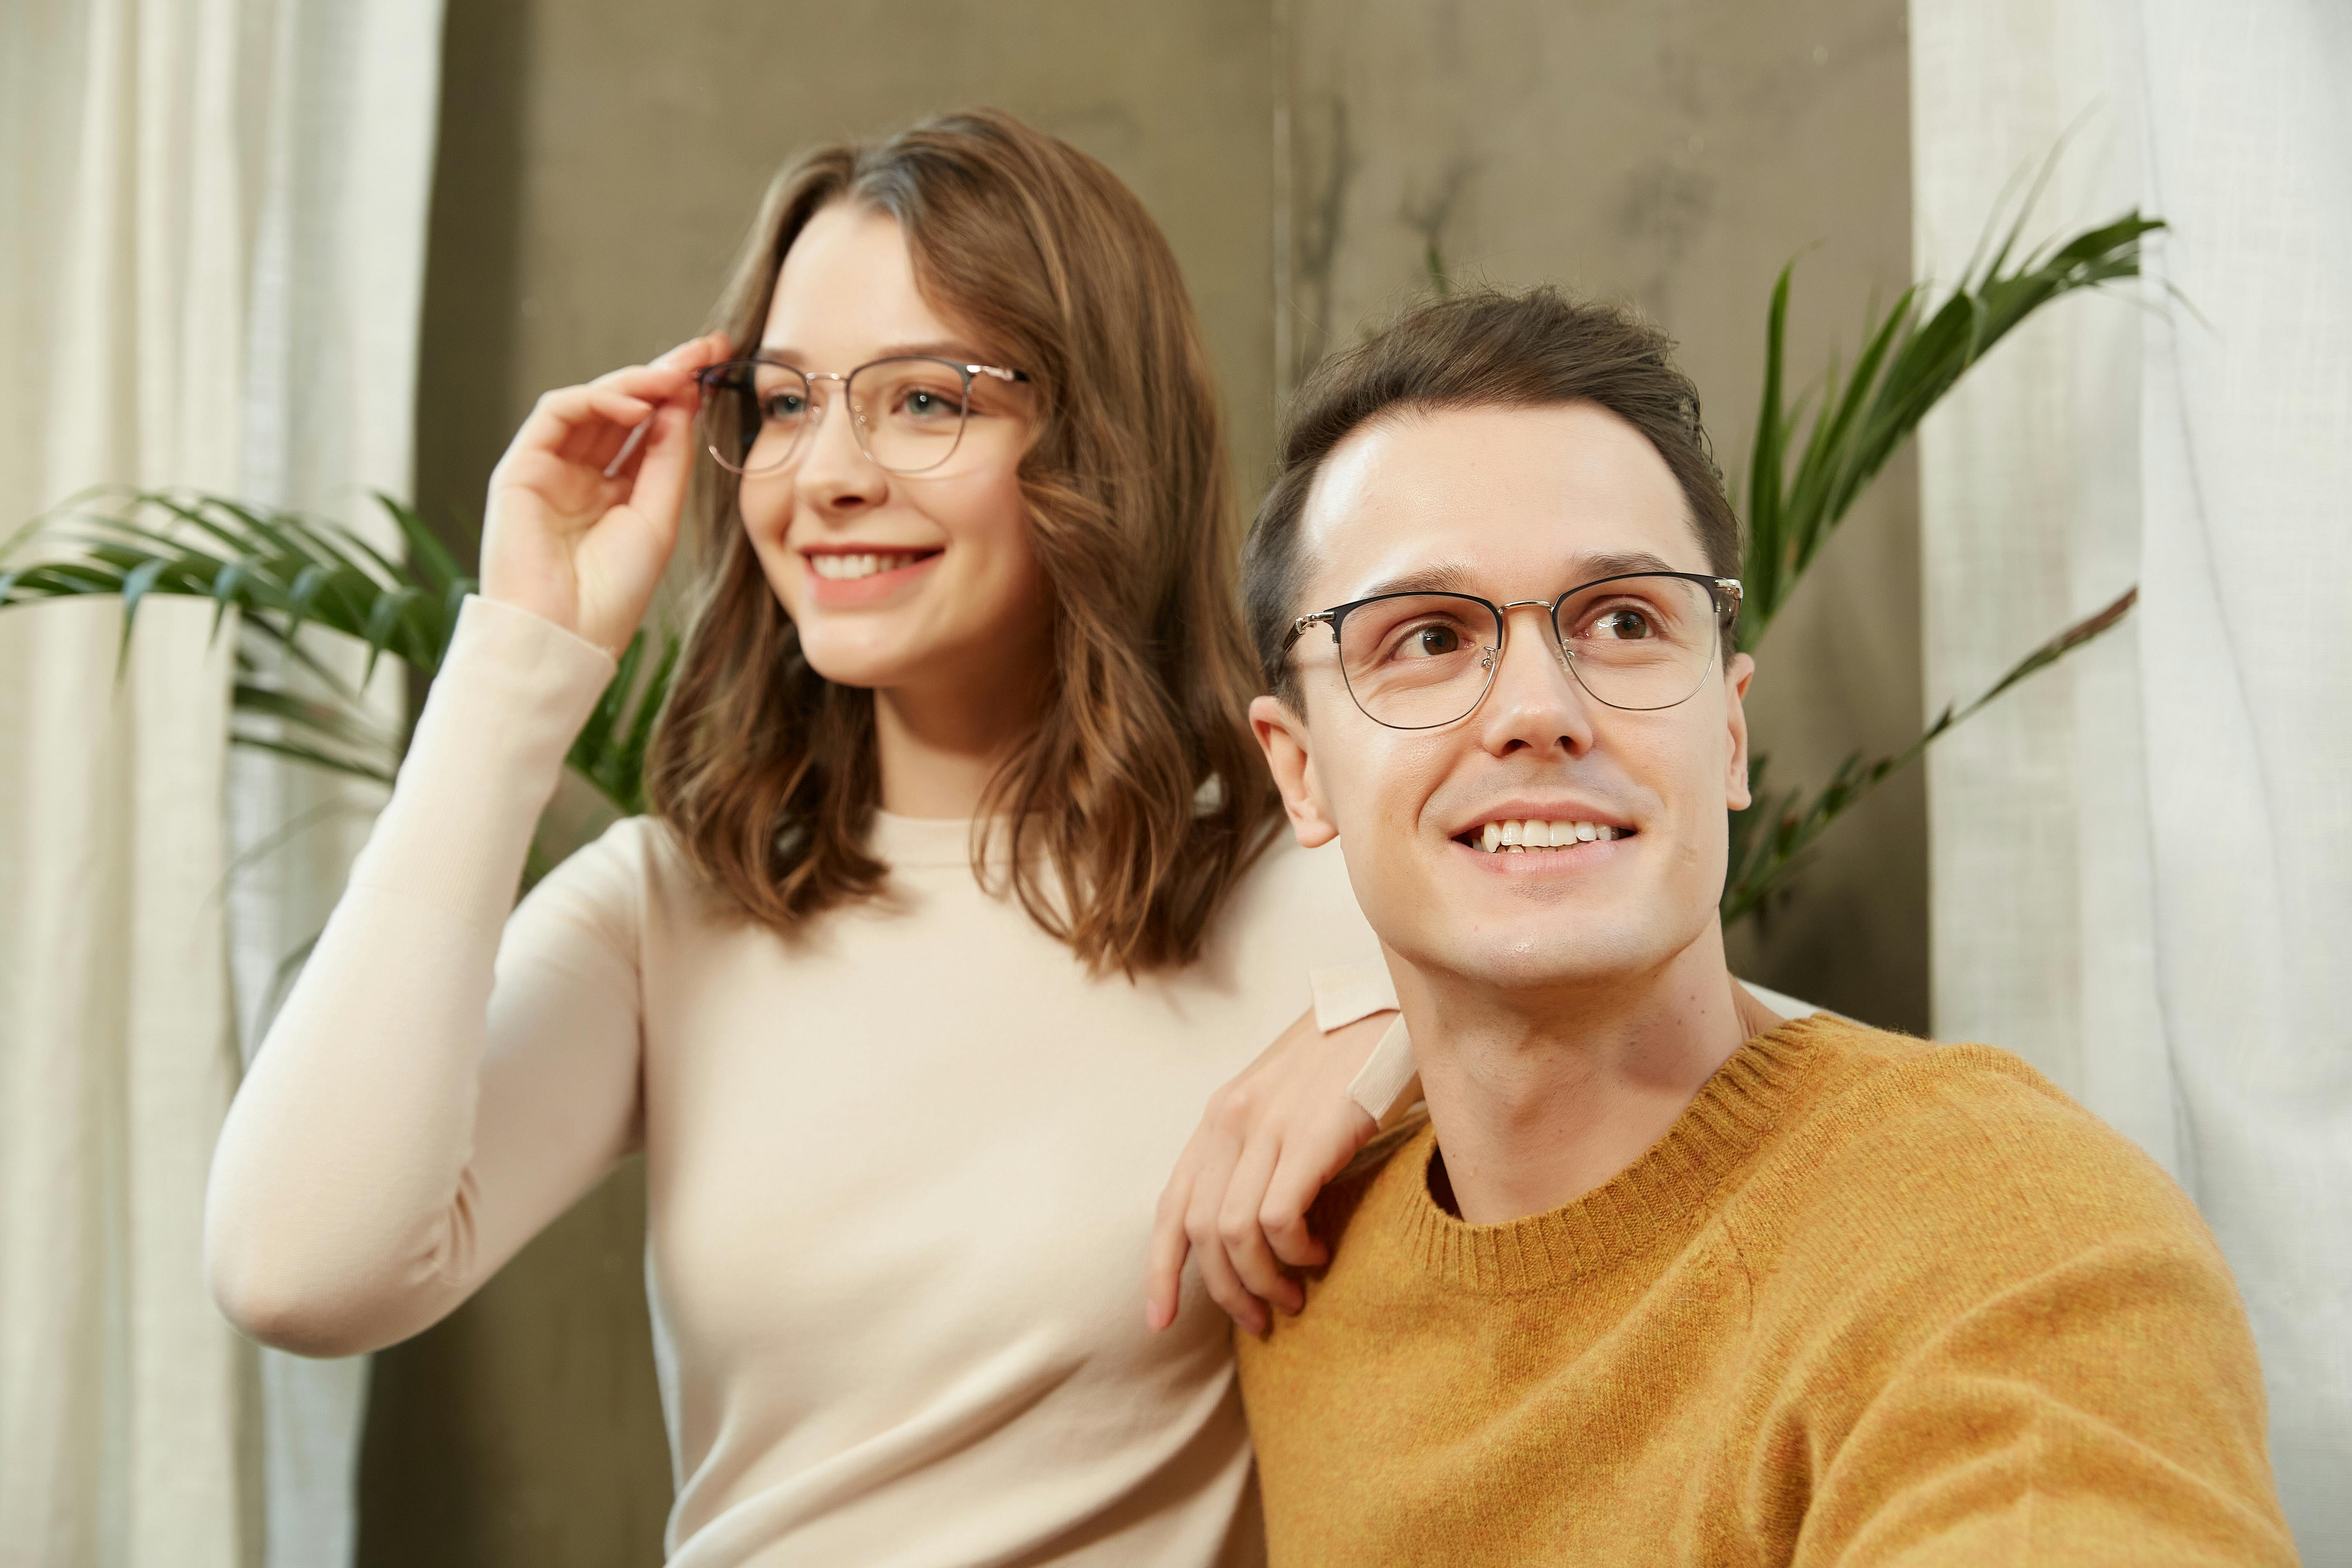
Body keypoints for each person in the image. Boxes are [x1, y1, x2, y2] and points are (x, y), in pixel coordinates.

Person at [203, 109, 1405, 1568]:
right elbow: (297, 1270)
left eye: (924, 399)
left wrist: (1398, 1022)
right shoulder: (667, 911)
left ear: (1098, 437)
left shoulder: (1309, 883)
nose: (825, 471)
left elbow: (1658, 1038)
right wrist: (520, 655)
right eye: (782, 403)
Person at [1226, 286, 2299, 1565]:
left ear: (1727, 731)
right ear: (1300, 771)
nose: (1538, 708)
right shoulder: (1302, 1270)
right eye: (1428, 636)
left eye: (1625, 621)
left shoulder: (2008, 1229)